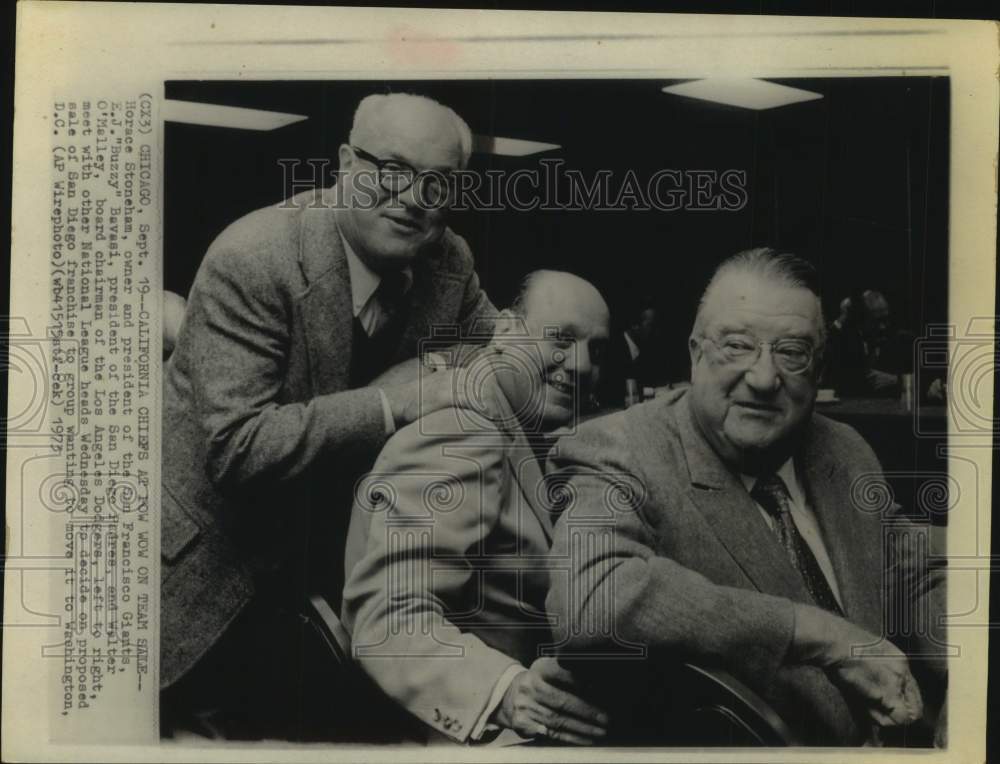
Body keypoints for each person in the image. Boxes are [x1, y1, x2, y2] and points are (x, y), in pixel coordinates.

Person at [160, 93, 496, 734]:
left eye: (436, 181)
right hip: (207, 575)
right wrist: (390, 402)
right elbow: (240, 449)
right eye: (390, 169)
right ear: (345, 163)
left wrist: (445, 369)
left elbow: (495, 358)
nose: (412, 197)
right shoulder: (255, 257)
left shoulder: (446, 258)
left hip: (326, 581)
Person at [545, 249, 946, 745]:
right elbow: (590, 598)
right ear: (695, 353)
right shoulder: (618, 449)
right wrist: (819, 634)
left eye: (792, 352)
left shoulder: (844, 449)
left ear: (819, 369)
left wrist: (968, 683)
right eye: (736, 346)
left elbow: (916, 574)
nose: (763, 378)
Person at [342, 270, 611, 745]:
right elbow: (389, 618)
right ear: (504, 331)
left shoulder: (512, 422)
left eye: (597, 350)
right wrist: (507, 693)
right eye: (561, 339)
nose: (581, 365)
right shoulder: (465, 430)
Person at [825, 290, 914, 397]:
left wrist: (897, 380)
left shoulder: (904, 340)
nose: (883, 327)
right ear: (863, 319)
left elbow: (926, 379)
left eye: (886, 320)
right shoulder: (852, 345)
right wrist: (843, 316)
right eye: (877, 321)